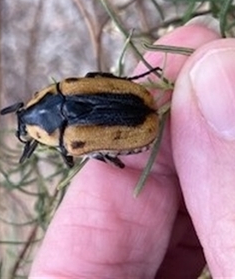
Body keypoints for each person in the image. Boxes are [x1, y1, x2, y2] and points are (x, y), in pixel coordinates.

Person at [29, 17, 235, 278]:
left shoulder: (69, 141)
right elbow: (96, 79)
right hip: (138, 112)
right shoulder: (68, 90)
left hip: (139, 120)